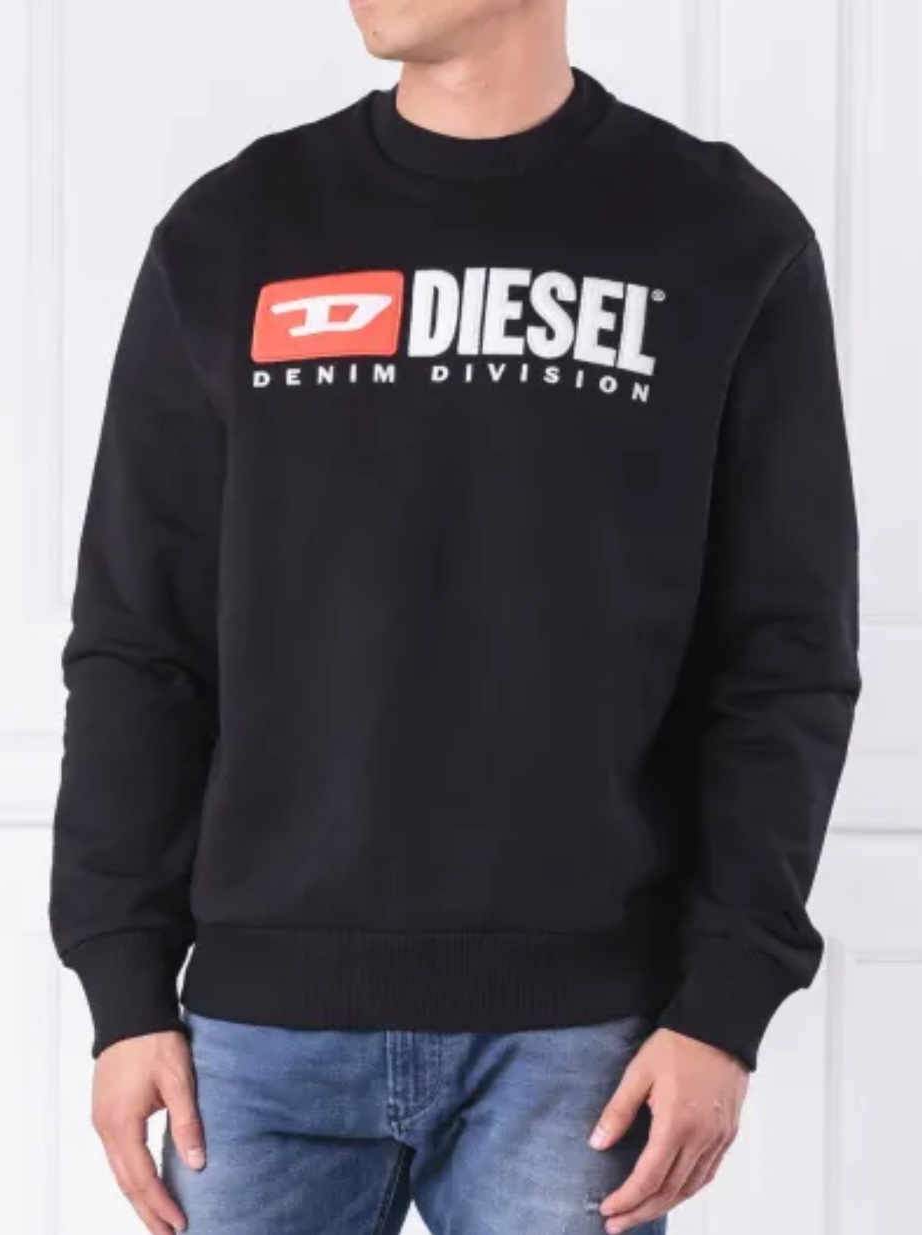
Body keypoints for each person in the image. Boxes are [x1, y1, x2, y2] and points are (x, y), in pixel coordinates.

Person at [47, 1, 861, 1232]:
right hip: (256, 1043)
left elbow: (784, 658)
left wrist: (725, 1004)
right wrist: (122, 989)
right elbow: (138, 640)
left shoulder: (724, 235)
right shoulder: (236, 231)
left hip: (579, 1041)